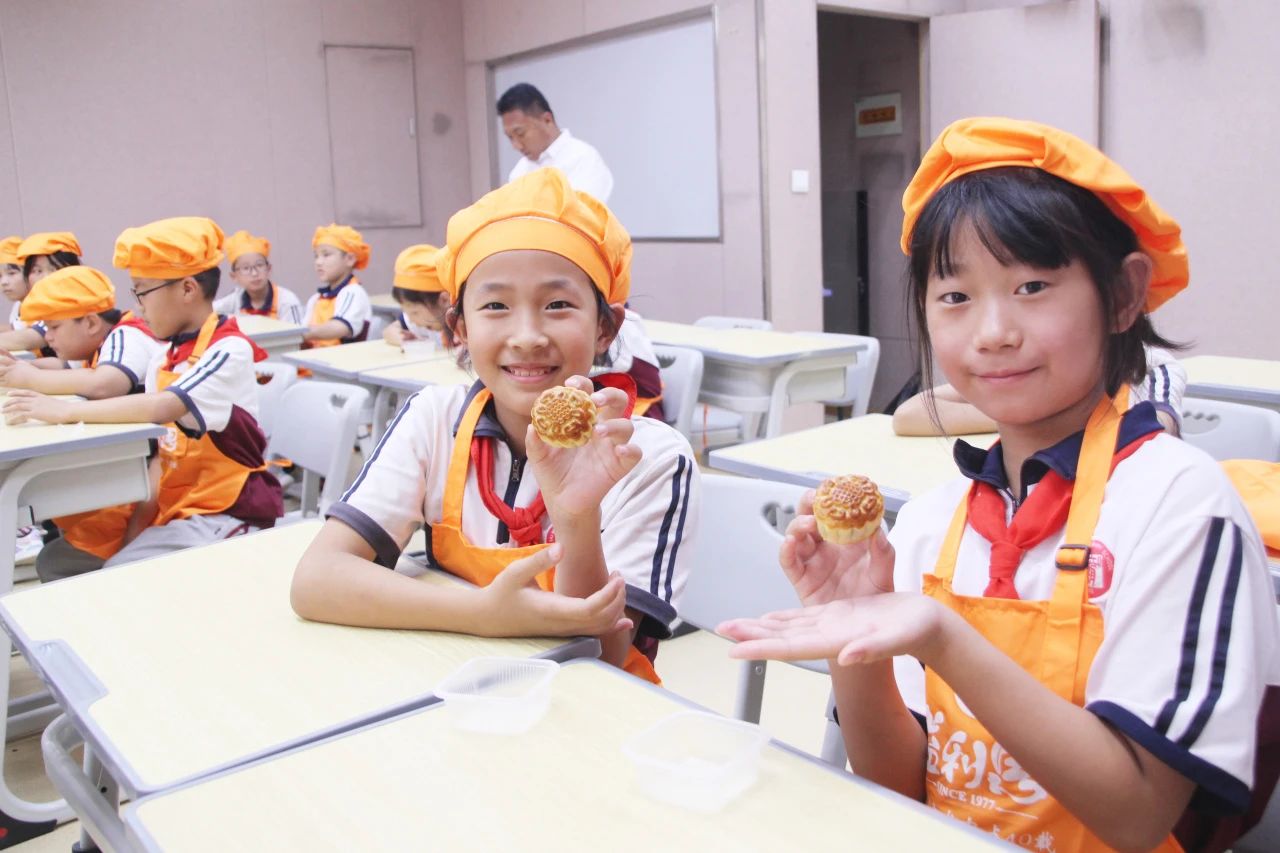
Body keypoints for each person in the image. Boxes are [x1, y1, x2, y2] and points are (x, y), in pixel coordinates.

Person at [718, 118, 1279, 852]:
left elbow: (1139, 814)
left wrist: (943, 638)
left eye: (1033, 285)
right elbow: (900, 781)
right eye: (954, 296)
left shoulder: (1182, 507)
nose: (992, 331)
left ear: (1122, 294)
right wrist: (857, 633)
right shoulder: (936, 519)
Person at [291, 168, 699, 684]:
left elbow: (603, 655)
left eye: (557, 305)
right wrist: (483, 614)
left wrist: (575, 516)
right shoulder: (433, 420)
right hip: (452, 688)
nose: (526, 336)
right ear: (459, 328)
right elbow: (317, 581)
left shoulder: (648, 457)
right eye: (495, 306)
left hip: (594, 718)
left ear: (605, 327)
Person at [4, 217, 283, 579]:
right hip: (178, 509)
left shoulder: (228, 348)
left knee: (121, 576)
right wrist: (136, 529)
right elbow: (160, 458)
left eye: (142, 291)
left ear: (186, 289)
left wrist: (61, 412)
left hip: (227, 513)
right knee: (108, 563)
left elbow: (164, 406)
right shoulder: (163, 357)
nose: (139, 306)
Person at [0, 265, 163, 569]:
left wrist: (30, 379)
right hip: (132, 474)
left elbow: (104, 383)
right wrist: (14, 372)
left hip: (154, 482)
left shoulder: (127, 335)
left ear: (89, 322)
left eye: (53, 328)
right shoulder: (96, 345)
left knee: (53, 562)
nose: (47, 338)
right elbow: (65, 370)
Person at [893, 346, 1187, 436]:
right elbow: (908, 416)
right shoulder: (1023, 367)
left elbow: (1157, 432)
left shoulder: (1150, 366)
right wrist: (1020, 417)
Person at [498, 83, 613, 203]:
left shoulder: (583, 158)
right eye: (510, 137)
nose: (516, 145)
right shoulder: (519, 172)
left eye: (521, 133)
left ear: (547, 120)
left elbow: (581, 214)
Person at [0, 231, 82, 355]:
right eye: (37, 271)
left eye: (55, 269)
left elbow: (32, 337)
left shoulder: (75, 303)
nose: (46, 277)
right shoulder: (38, 305)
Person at [213, 230, 304, 324]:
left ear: (269, 269)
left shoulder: (287, 301)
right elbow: (208, 312)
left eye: (259, 265)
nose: (254, 273)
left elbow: (297, 335)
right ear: (234, 276)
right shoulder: (235, 299)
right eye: (246, 268)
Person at [305, 224, 372, 348]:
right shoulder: (315, 299)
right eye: (316, 256)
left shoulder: (353, 292)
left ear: (350, 259)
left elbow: (341, 327)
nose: (318, 262)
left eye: (326, 255)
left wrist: (302, 334)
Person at [382, 243, 450, 349]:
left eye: (415, 312)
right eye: (407, 313)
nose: (412, 320)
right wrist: (403, 339)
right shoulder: (421, 321)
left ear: (445, 300)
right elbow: (389, 331)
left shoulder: (467, 325)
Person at [0, 235, 28, 332]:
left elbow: (24, 330)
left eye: (11, 273)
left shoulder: (43, 303)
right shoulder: (17, 306)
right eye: (0, 276)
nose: (4, 282)